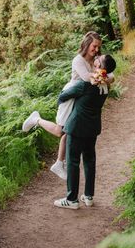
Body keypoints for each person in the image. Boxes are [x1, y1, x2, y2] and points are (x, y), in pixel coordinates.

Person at [21, 31, 113, 179]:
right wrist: (101, 76)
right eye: (94, 46)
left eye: (98, 47)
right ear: (87, 44)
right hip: (70, 96)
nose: (96, 50)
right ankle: (36, 119)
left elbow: (111, 75)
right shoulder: (78, 60)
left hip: (81, 98)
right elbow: (85, 78)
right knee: (60, 131)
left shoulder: (97, 59)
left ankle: (59, 163)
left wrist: (102, 76)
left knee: (70, 131)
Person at [53, 53, 117, 209]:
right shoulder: (105, 86)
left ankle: (72, 199)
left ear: (100, 67)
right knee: (89, 160)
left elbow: (63, 96)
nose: (96, 58)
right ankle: (88, 196)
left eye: (99, 59)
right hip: (92, 127)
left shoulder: (86, 84)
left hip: (76, 127)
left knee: (73, 162)